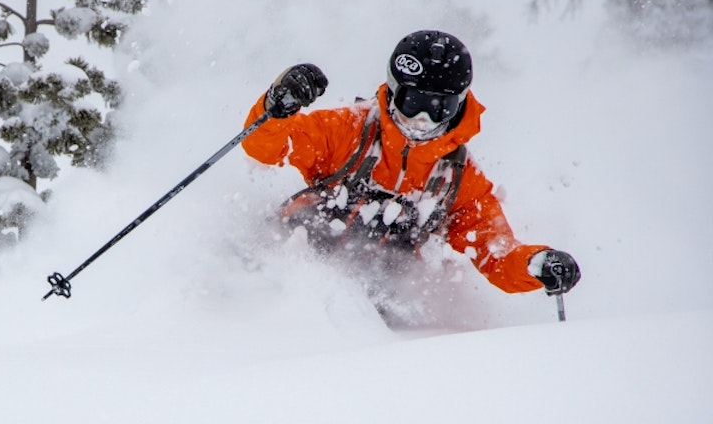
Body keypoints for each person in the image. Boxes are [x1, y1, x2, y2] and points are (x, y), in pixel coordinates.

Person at [241, 30, 580, 303]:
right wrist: (278, 106)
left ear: (459, 104)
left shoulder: (458, 177)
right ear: (392, 91)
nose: (422, 119)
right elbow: (265, 147)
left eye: (438, 107)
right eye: (413, 102)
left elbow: (496, 252)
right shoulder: (347, 131)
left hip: (379, 302)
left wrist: (534, 264)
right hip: (289, 270)